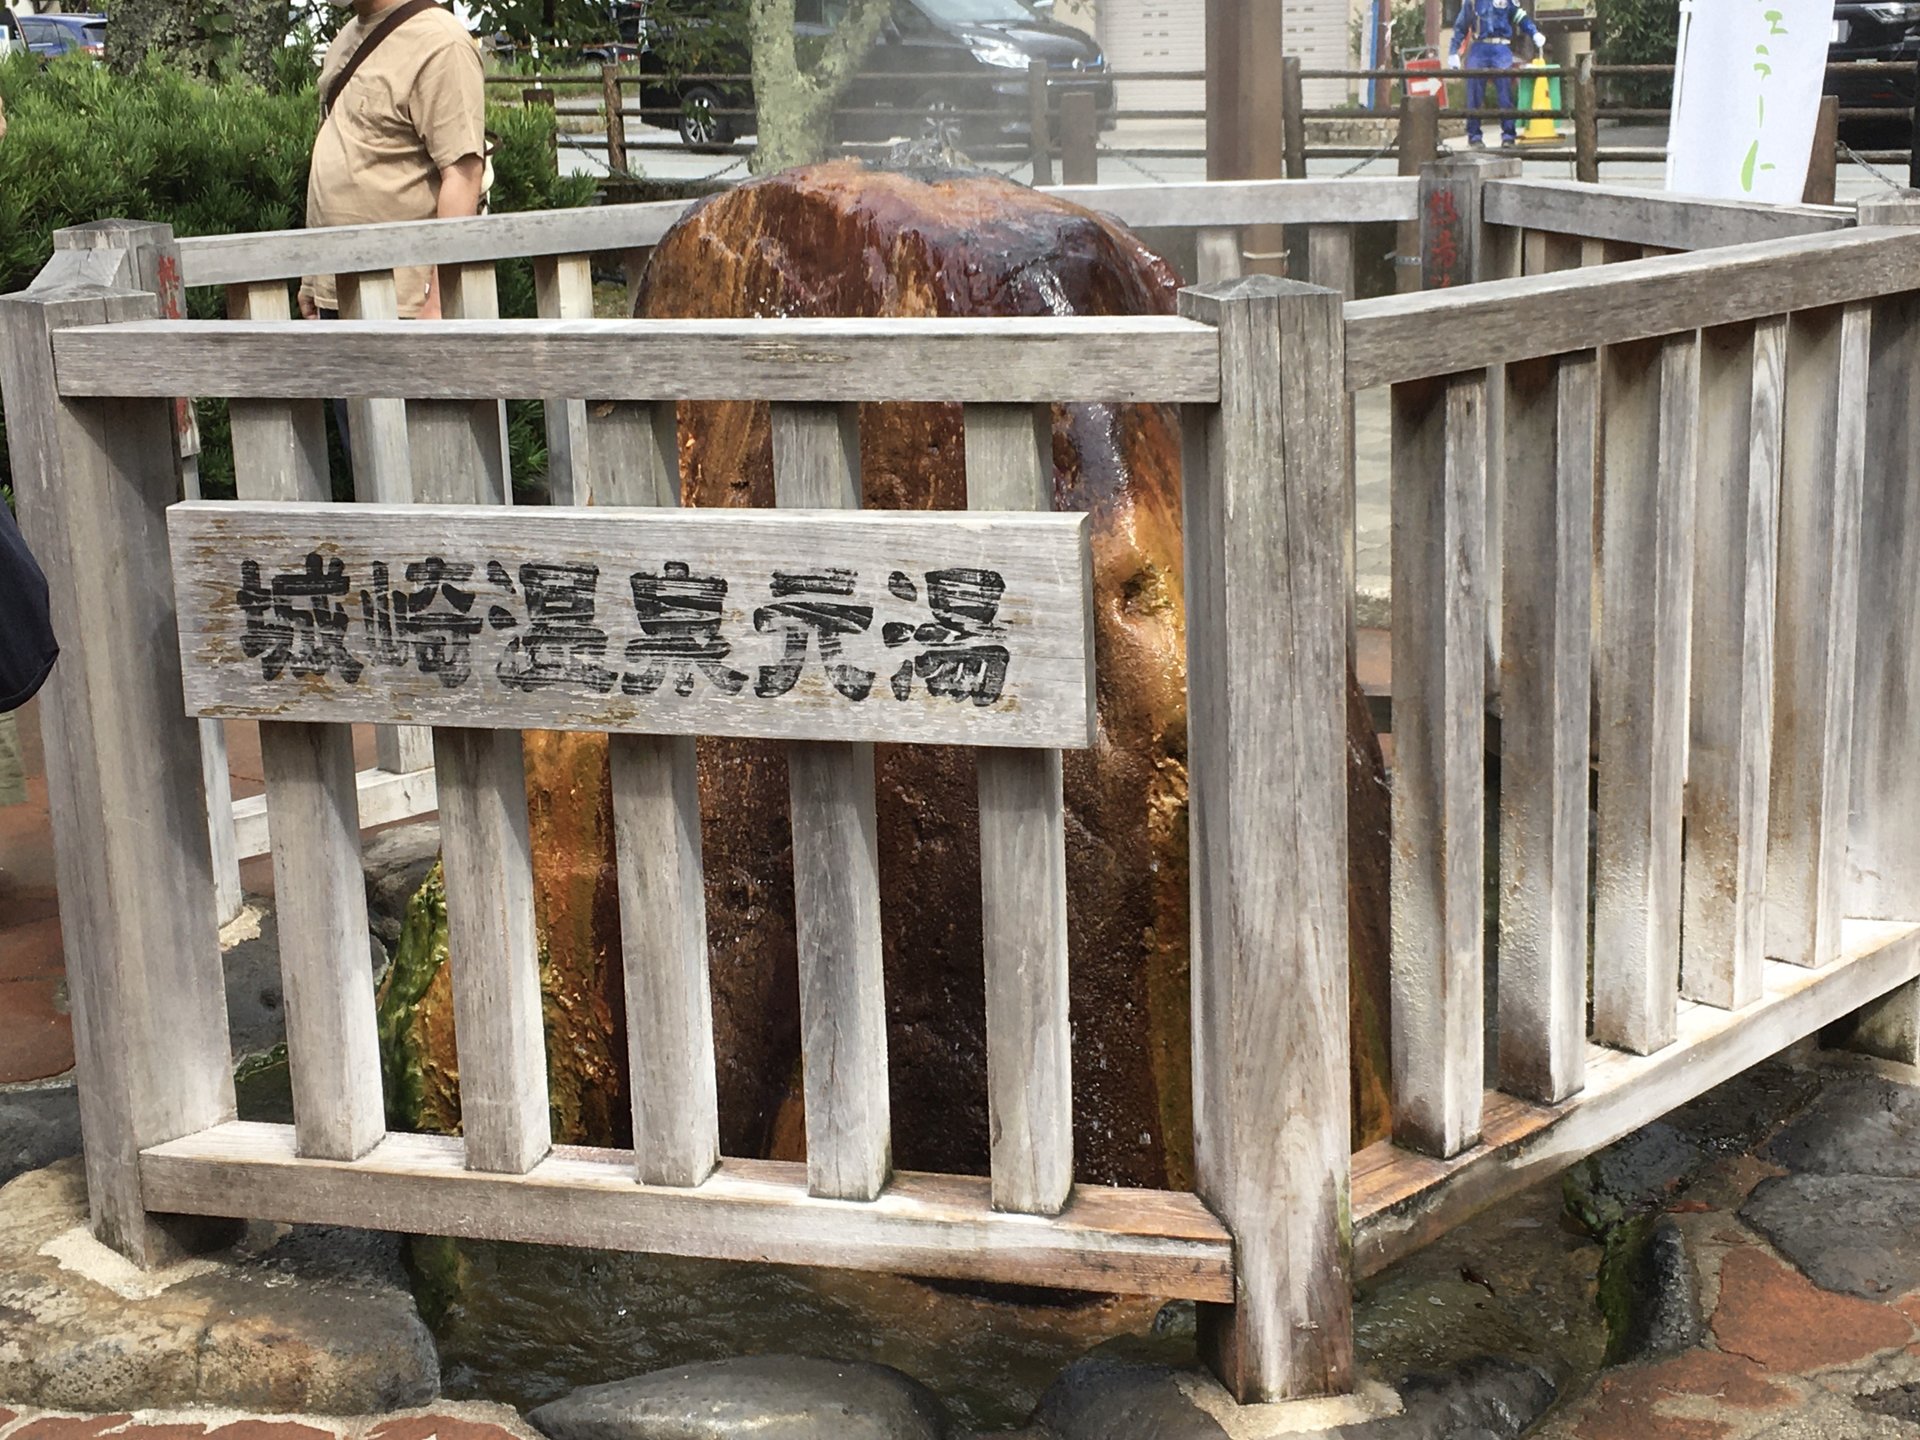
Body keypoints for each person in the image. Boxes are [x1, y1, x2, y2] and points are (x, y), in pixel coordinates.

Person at [297, 0, 487, 323]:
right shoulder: (344, 40)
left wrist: (439, 304)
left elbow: (464, 176)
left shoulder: (442, 43)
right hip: (338, 294)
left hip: (404, 307)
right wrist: (313, 278)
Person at [1450, 0, 1546, 149]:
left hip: (1501, 47)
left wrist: (1534, 32)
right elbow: (1461, 26)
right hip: (1479, 46)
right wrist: (1453, 51)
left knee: (1505, 92)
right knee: (1474, 93)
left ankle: (1508, 136)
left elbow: (1520, 17)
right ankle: (1474, 136)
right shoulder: (1473, 2)